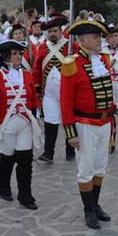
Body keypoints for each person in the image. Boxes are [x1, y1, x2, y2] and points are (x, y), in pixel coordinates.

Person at [60, 20, 114, 230]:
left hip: (104, 121)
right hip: (84, 124)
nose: (99, 40)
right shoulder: (71, 63)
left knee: (100, 167)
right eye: (95, 37)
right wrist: (70, 133)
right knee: (86, 169)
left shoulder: (105, 60)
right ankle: (88, 211)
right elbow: (65, 102)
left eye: (100, 37)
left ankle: (96, 204)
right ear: (82, 41)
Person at [0, 40, 42, 210]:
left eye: (20, 53)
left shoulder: (27, 75)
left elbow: (33, 101)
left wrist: (34, 119)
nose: (18, 56)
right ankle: (4, 188)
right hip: (5, 124)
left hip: (24, 124)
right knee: (7, 158)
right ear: (6, 56)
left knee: (25, 160)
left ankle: (25, 195)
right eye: (15, 53)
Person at [32, 16, 76, 163]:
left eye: (55, 31)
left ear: (61, 31)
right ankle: (48, 153)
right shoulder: (43, 47)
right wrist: (37, 89)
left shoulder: (71, 46)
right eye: (50, 31)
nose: (52, 34)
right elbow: (37, 70)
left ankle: (70, 150)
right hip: (48, 94)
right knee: (50, 123)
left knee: (68, 121)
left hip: (67, 93)